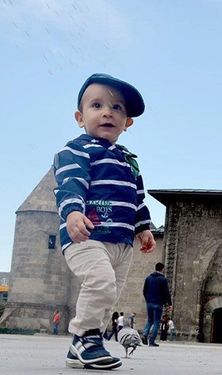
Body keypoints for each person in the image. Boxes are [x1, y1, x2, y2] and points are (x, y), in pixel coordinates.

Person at [54, 73, 155, 370]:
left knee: (109, 292)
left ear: (128, 123)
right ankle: (86, 336)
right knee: (100, 282)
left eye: (117, 108)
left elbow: (137, 197)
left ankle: (81, 348)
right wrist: (73, 212)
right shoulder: (76, 150)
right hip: (88, 236)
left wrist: (143, 227)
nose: (107, 112)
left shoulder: (129, 160)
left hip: (121, 243)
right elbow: (70, 183)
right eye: (96, 105)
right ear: (79, 116)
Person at [142, 262, 173, 347]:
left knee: (149, 320)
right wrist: (169, 304)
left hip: (149, 303)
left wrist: (148, 300)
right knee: (156, 322)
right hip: (158, 303)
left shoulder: (148, 278)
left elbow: (144, 291)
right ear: (162, 269)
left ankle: (144, 334)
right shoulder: (163, 279)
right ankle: (151, 341)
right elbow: (166, 293)